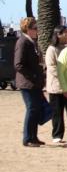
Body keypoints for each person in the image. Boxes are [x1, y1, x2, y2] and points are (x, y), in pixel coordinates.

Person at [14, 17, 45, 147]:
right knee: (31, 108)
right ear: (27, 29)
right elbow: (18, 64)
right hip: (27, 83)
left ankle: (34, 136)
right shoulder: (22, 42)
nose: (37, 30)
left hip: (35, 82)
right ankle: (27, 138)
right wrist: (32, 75)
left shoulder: (32, 42)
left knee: (36, 109)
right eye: (35, 28)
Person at [45, 25, 67, 144]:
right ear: (58, 34)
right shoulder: (51, 49)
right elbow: (51, 67)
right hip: (56, 87)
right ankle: (57, 134)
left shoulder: (66, 48)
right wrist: (63, 76)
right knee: (57, 112)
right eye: (64, 32)